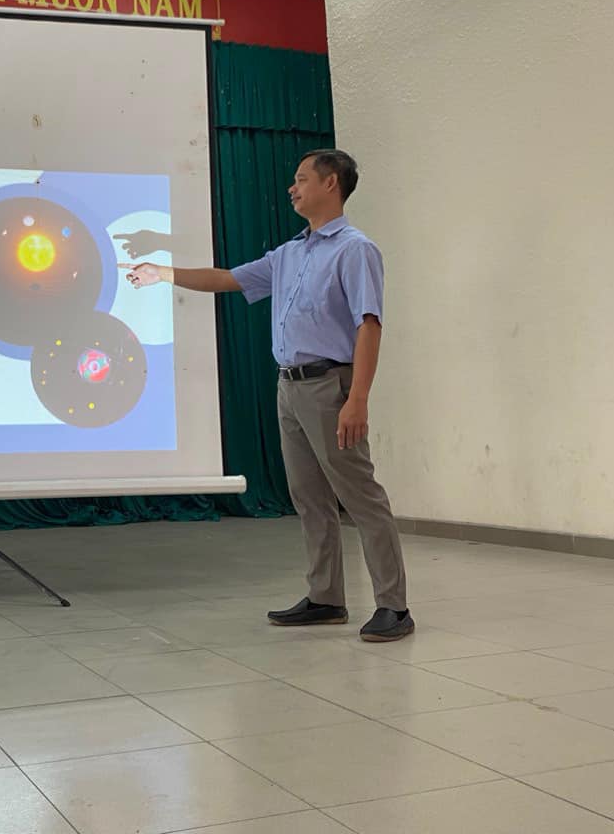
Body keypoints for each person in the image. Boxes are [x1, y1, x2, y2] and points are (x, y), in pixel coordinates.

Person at [120, 149, 413, 642]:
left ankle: (394, 606)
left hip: (330, 386)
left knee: (360, 496)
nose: (291, 188)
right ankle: (326, 598)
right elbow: (227, 278)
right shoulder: (289, 254)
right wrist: (163, 273)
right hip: (289, 387)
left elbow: (369, 324)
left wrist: (358, 398)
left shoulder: (355, 250)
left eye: (301, 179)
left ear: (331, 183)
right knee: (309, 497)